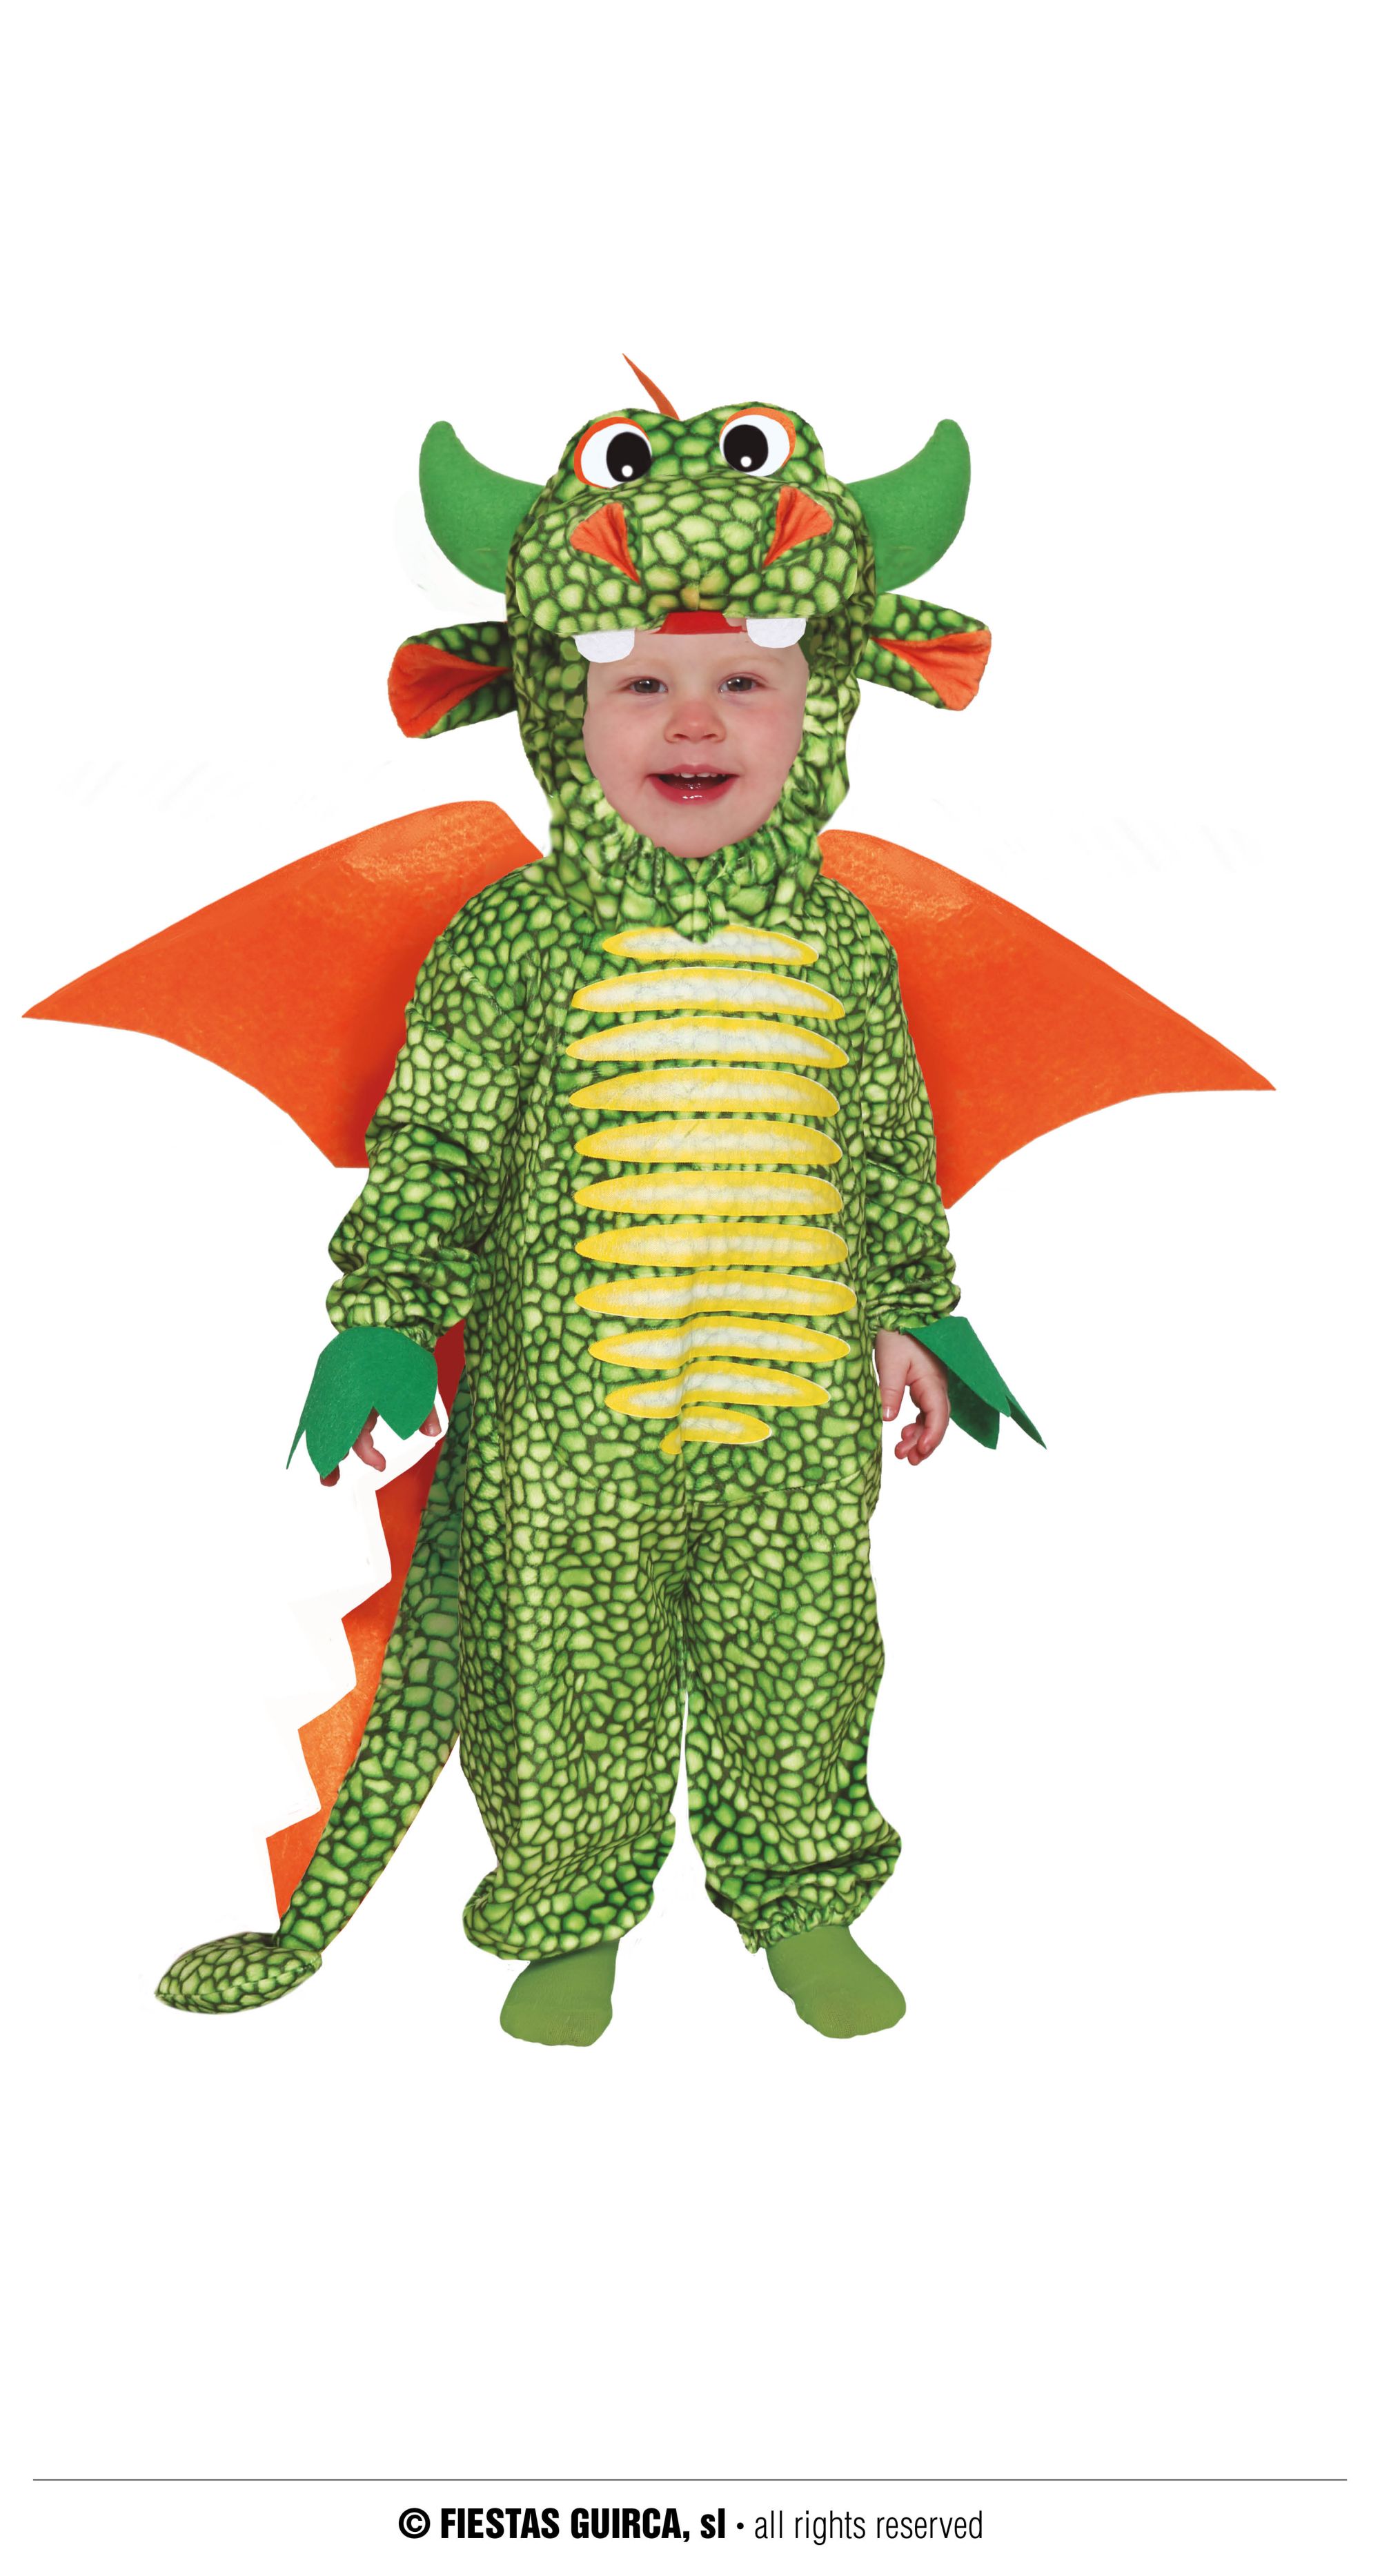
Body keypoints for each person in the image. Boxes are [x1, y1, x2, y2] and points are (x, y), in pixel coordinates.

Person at [321, 622, 960, 2046]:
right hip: (567, 1427)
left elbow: (884, 1139)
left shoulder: (844, 937)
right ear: (565, 709)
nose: (695, 723)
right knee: (560, 1675)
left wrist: (914, 1306)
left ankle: (804, 1897)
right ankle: (569, 1912)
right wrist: (385, 1313)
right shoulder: (510, 935)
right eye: (644, 686)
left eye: (743, 682)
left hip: (794, 1422)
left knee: (801, 1658)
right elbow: (433, 1137)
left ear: (815, 710)